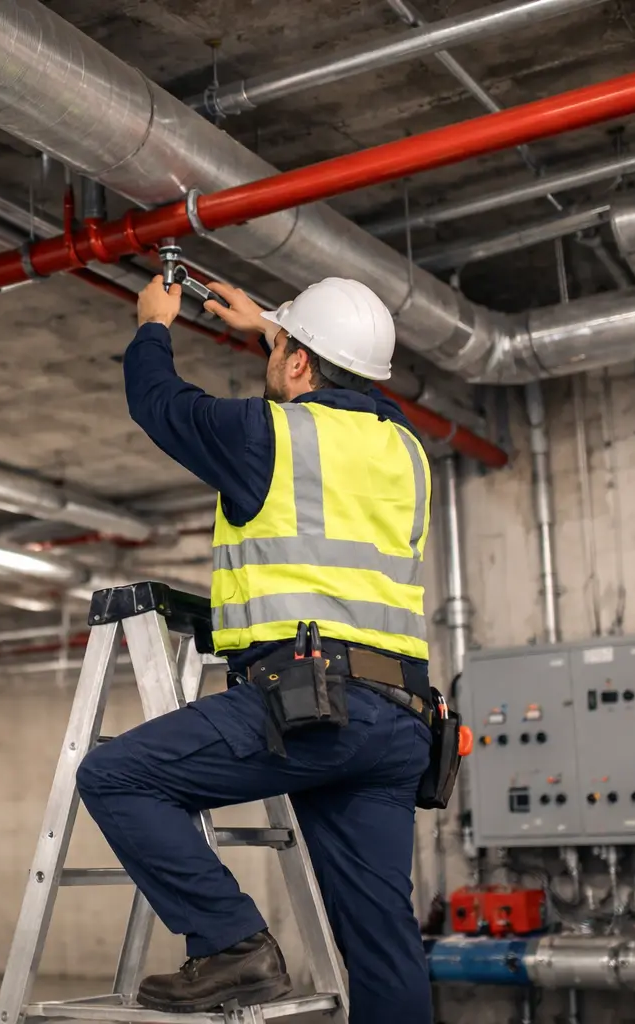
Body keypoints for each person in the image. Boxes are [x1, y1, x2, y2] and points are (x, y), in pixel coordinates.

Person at [75, 273, 435, 1023]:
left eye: (284, 351)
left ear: (300, 363)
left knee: (115, 777)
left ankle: (233, 942)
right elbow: (342, 389)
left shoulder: (270, 436)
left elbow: (160, 403)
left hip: (311, 705)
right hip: (402, 724)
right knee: (381, 941)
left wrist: (153, 325)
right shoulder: (408, 454)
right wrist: (272, 326)